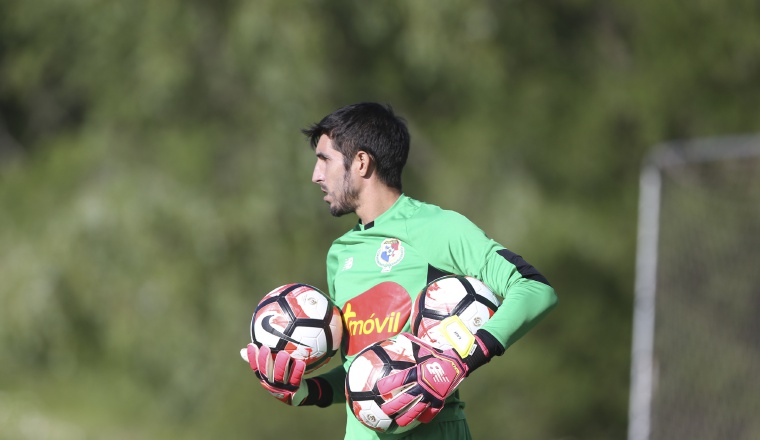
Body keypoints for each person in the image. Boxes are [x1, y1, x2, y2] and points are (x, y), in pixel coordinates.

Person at [244, 102, 558, 439]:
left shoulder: (437, 228)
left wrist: (462, 360)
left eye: (324, 160)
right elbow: (366, 377)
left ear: (361, 163)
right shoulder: (340, 254)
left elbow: (534, 288)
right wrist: (306, 392)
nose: (316, 175)